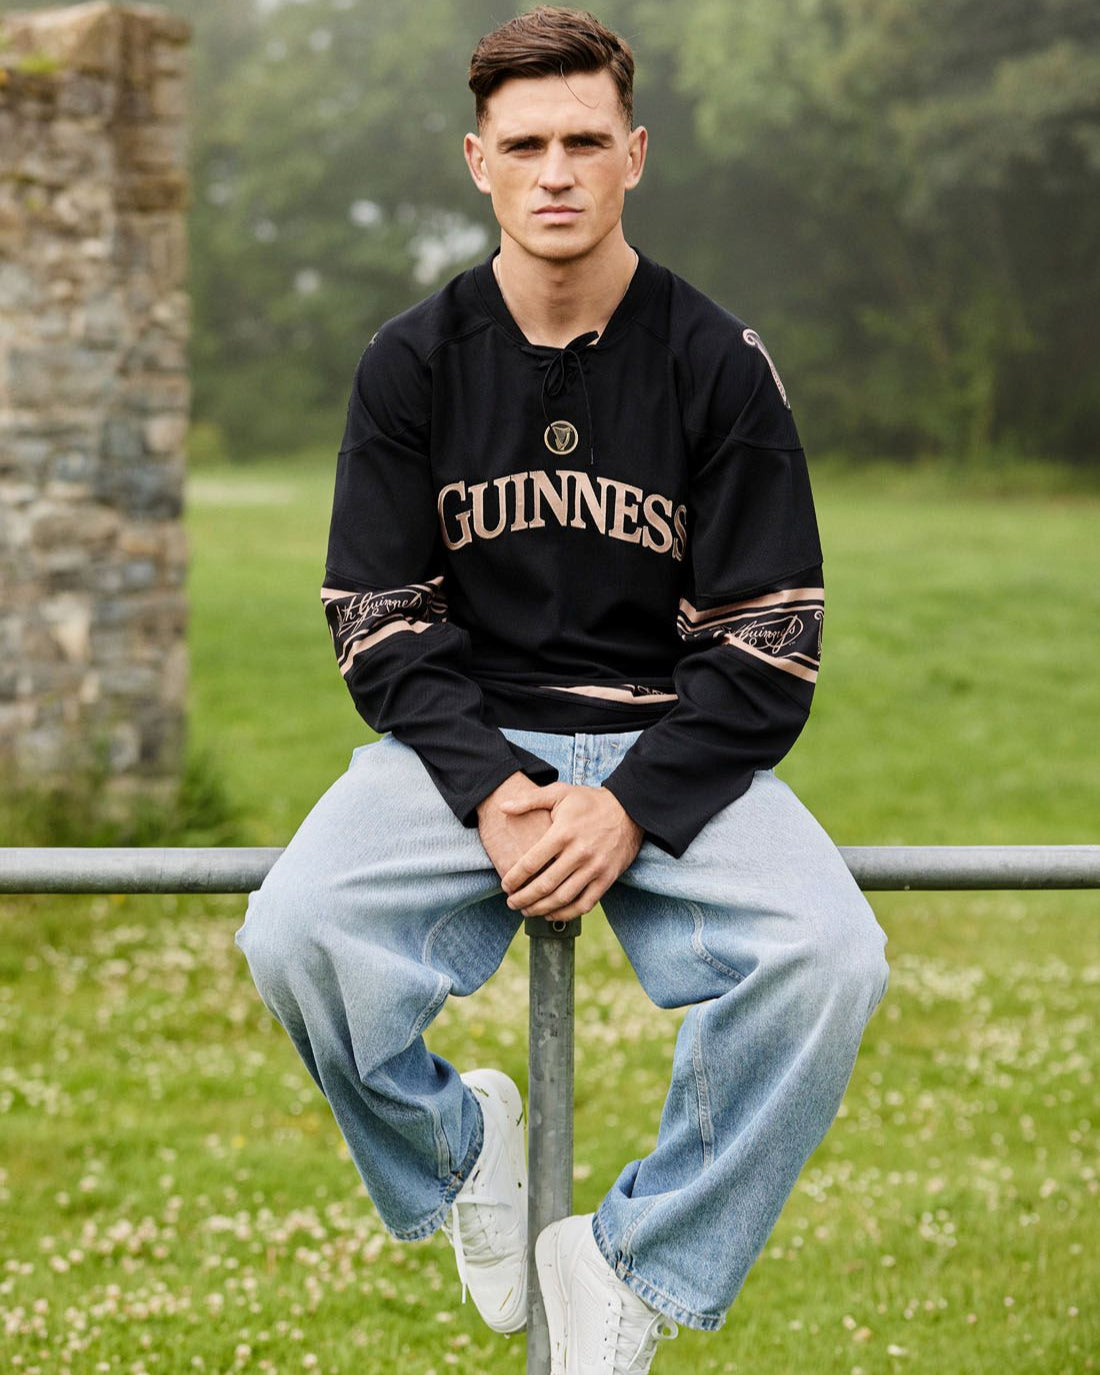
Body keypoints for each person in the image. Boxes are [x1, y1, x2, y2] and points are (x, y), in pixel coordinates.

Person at [236, 7, 889, 1372]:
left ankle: (634, 1258)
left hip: (669, 740)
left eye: (585, 142)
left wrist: (633, 806)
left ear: (634, 155)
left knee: (831, 957)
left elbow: (771, 636)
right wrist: (490, 787)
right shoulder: (411, 362)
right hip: (471, 745)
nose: (556, 173)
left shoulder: (717, 362)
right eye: (525, 144)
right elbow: (378, 617)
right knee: (296, 931)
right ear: (477, 161)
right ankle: (461, 1146)